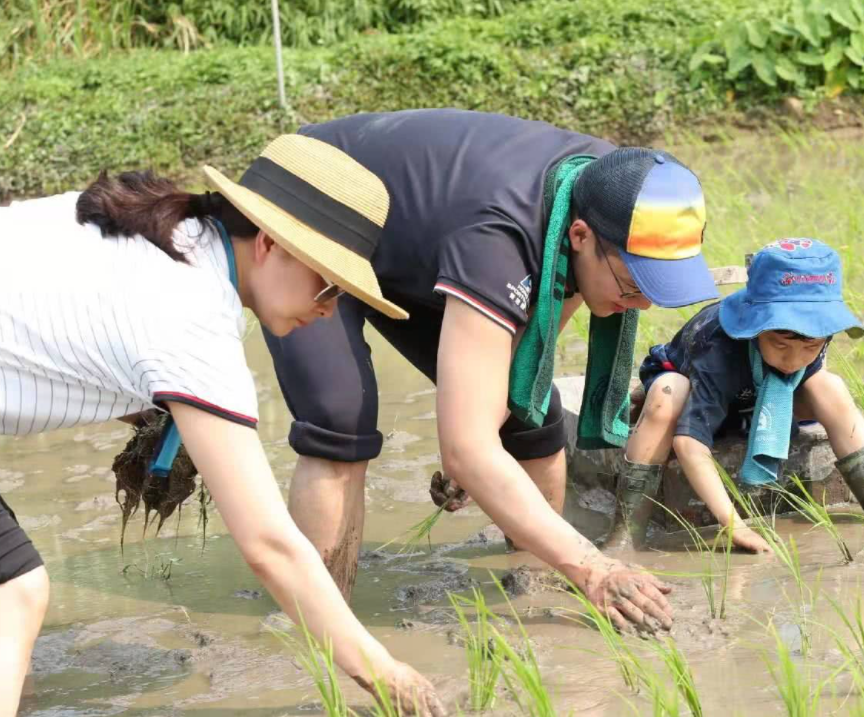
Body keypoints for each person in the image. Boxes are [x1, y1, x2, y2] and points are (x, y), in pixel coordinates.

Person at [0, 135, 444, 716]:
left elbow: (55, 326)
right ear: (268, 244)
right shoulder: (194, 316)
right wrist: (381, 671)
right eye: (330, 284)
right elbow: (270, 546)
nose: (330, 308)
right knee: (6, 594)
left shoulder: (168, 233)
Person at [263, 109, 721, 632]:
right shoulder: (501, 238)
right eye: (633, 285)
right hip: (314, 202)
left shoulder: (614, 186)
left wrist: (477, 441)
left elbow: (529, 352)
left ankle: (535, 590)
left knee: (531, 413)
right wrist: (592, 564)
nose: (638, 305)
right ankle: (320, 623)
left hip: (419, 233)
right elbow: (468, 445)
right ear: (579, 237)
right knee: (339, 417)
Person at [605, 238, 864, 553]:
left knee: (830, 386)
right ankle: (627, 535)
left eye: (809, 347)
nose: (793, 360)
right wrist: (734, 526)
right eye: (780, 345)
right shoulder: (718, 349)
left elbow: (810, 369)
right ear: (753, 327)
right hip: (696, 390)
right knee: (667, 393)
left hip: (755, 396)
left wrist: (803, 358)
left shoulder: (816, 338)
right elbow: (688, 444)